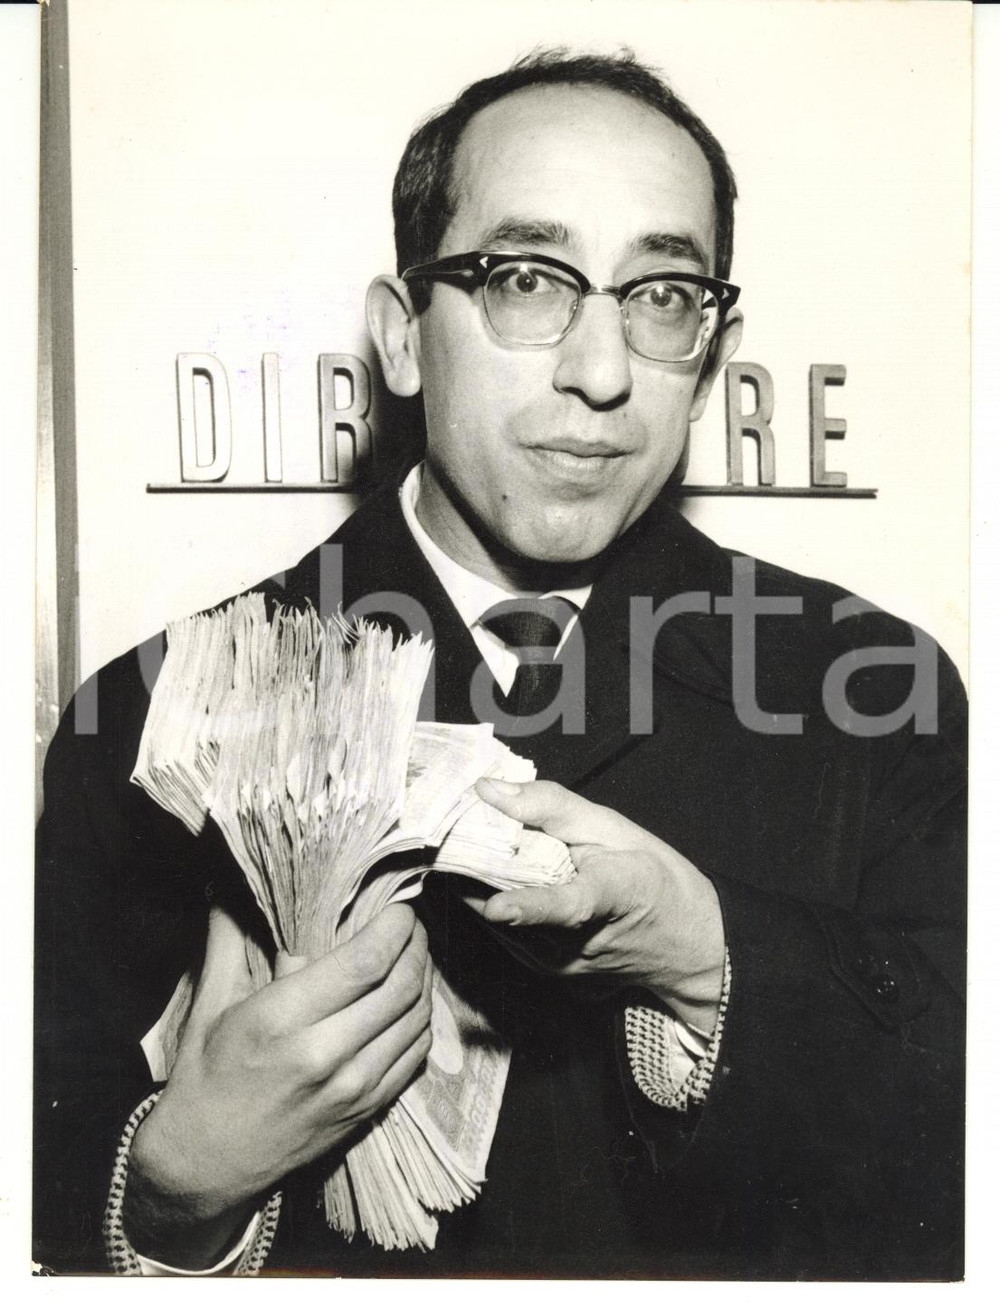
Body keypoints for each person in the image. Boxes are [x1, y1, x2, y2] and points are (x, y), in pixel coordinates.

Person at [33, 50, 965, 1280]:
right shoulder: (156, 716)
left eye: (663, 292)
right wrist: (174, 1190)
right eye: (528, 278)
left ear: (715, 345)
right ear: (402, 339)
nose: (600, 371)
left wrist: (708, 956)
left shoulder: (874, 691)